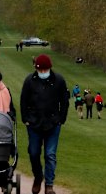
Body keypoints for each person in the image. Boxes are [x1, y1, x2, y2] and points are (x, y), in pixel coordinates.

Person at [20, 54, 69, 194]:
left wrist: (61, 119)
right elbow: (24, 100)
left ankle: (49, 184)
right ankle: (37, 176)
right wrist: (26, 119)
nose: (42, 73)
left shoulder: (59, 80)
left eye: (44, 70)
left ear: (49, 68)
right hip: (34, 122)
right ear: (36, 69)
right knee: (34, 152)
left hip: (53, 123)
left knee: (50, 154)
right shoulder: (29, 80)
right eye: (40, 70)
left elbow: (64, 101)